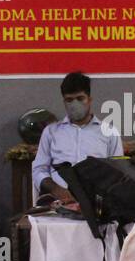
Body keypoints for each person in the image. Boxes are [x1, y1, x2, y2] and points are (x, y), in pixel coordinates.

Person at [31, 71, 124, 204]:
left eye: (80, 98)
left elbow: (118, 173)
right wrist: (57, 190)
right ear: (64, 102)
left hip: (98, 203)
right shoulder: (51, 132)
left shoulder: (109, 132)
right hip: (58, 202)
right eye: (69, 100)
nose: (75, 104)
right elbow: (39, 170)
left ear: (89, 99)